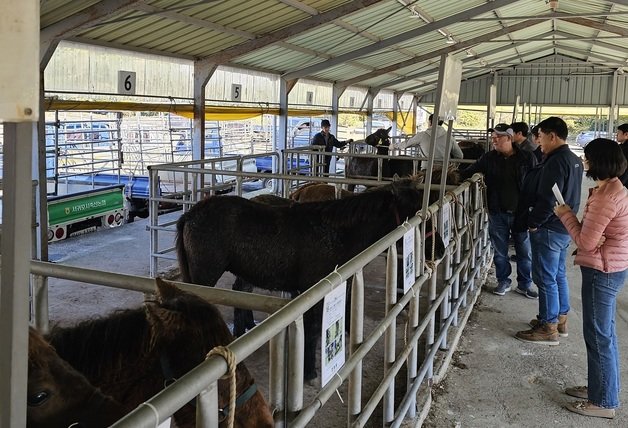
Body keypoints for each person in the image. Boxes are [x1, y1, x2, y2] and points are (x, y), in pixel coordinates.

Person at [553, 138, 628, 419]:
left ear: (599, 162)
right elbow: (595, 238)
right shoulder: (613, 189)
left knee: (599, 336)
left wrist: (565, 215)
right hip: (611, 267)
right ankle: (600, 388)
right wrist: (594, 238)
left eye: (588, 158)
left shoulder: (607, 197)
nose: (586, 163)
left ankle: (603, 402)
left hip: (602, 271)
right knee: (602, 333)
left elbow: (585, 242)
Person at [514, 116, 583, 345]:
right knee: (557, 274)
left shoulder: (555, 161)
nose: (539, 142)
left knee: (545, 277)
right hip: (564, 226)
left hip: (549, 228)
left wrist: (534, 222)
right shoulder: (574, 159)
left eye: (541, 137)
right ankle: (560, 318)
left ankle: (548, 326)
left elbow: (548, 198)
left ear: (552, 136)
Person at [460, 123, 537, 297]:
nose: (494, 140)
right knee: (500, 252)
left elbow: (536, 182)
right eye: (493, 137)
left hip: (521, 213)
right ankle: (504, 281)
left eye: (498, 137)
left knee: (524, 251)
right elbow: (469, 171)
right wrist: (451, 176)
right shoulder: (488, 158)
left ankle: (525, 284)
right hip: (497, 212)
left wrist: (534, 208)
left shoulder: (527, 158)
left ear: (509, 138)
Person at [390, 113, 463, 169]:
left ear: (430, 122)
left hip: (427, 169)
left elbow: (406, 144)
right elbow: (459, 155)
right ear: (441, 123)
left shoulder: (422, 135)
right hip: (444, 171)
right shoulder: (449, 137)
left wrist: (393, 146)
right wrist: (453, 167)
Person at [615, 123, 628, 187]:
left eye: (618, 132)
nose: (616, 135)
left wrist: (619, 185)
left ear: (626, 134)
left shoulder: (624, 150)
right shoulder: (621, 147)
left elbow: (625, 169)